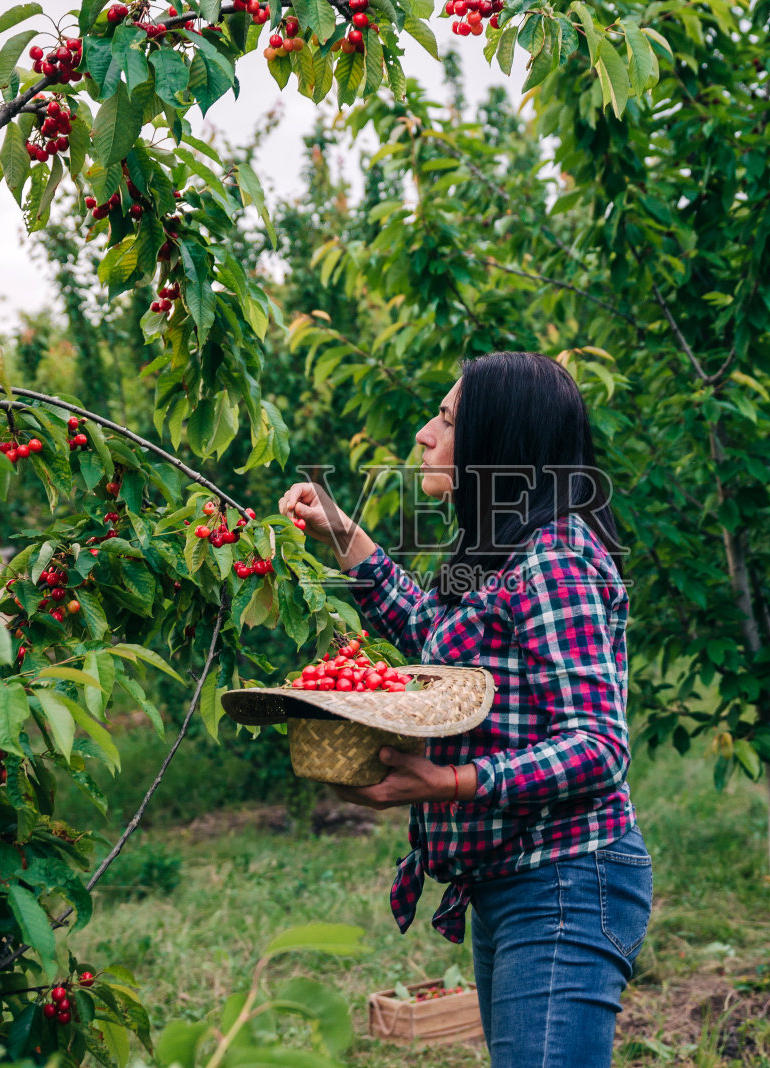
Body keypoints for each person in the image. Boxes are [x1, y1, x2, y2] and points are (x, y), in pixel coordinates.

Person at [278, 351, 651, 1068]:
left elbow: (598, 748)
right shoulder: (494, 551)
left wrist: (450, 783)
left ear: (497, 442)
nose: (424, 433)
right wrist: (344, 539)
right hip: (515, 877)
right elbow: (431, 634)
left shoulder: (556, 558)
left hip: (566, 880)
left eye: (447, 420)